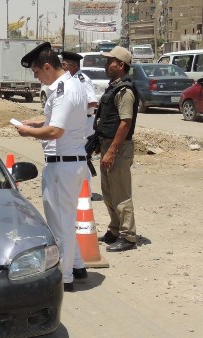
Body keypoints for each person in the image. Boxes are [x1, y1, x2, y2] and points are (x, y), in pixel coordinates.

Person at [15, 42, 89, 292]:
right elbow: (56, 120)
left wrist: (27, 133)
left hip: (63, 165)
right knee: (65, 220)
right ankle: (77, 266)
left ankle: (65, 277)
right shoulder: (69, 86)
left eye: (37, 72)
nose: (37, 78)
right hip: (69, 163)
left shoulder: (65, 90)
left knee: (60, 224)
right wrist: (36, 123)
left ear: (48, 66)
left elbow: (56, 130)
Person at [96, 46, 139, 253]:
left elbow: (125, 123)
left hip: (119, 149)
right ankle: (114, 229)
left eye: (110, 61)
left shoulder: (125, 91)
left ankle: (128, 236)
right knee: (108, 193)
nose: (106, 65)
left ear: (120, 65)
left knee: (121, 194)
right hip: (108, 146)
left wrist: (112, 150)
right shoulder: (113, 87)